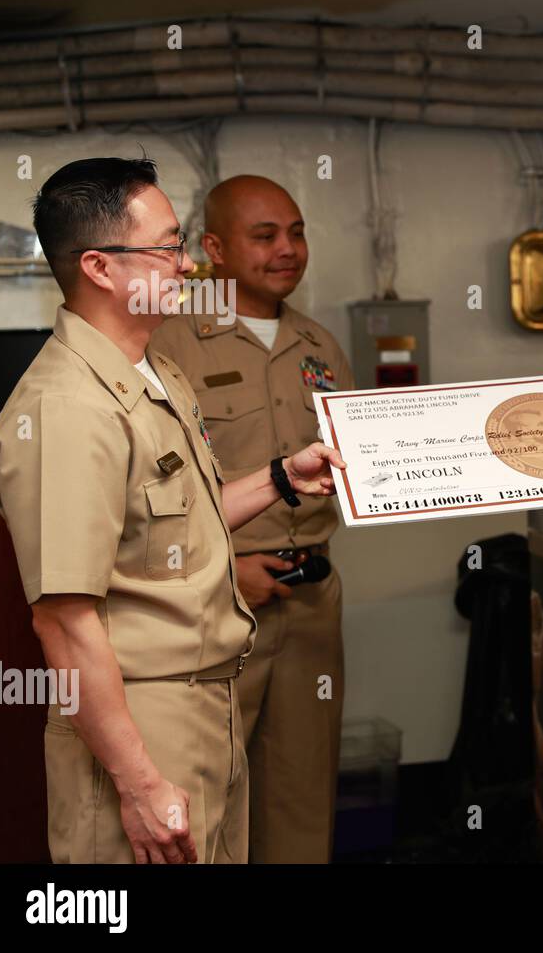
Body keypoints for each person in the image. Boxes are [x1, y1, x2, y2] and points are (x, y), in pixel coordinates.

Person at [0, 157, 345, 864]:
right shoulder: (67, 407)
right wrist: (140, 781)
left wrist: (281, 476)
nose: (186, 266)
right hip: (141, 721)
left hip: (207, 704)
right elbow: (64, 618)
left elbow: (184, 519)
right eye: (168, 247)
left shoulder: (154, 372)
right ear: (100, 267)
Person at [151, 175, 352, 863]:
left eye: (296, 232)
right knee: (207, 795)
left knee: (302, 793)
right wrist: (223, 566)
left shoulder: (320, 345)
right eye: (264, 235)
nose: (288, 249)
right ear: (213, 248)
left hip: (312, 600)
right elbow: (149, 488)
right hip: (216, 601)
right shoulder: (168, 343)